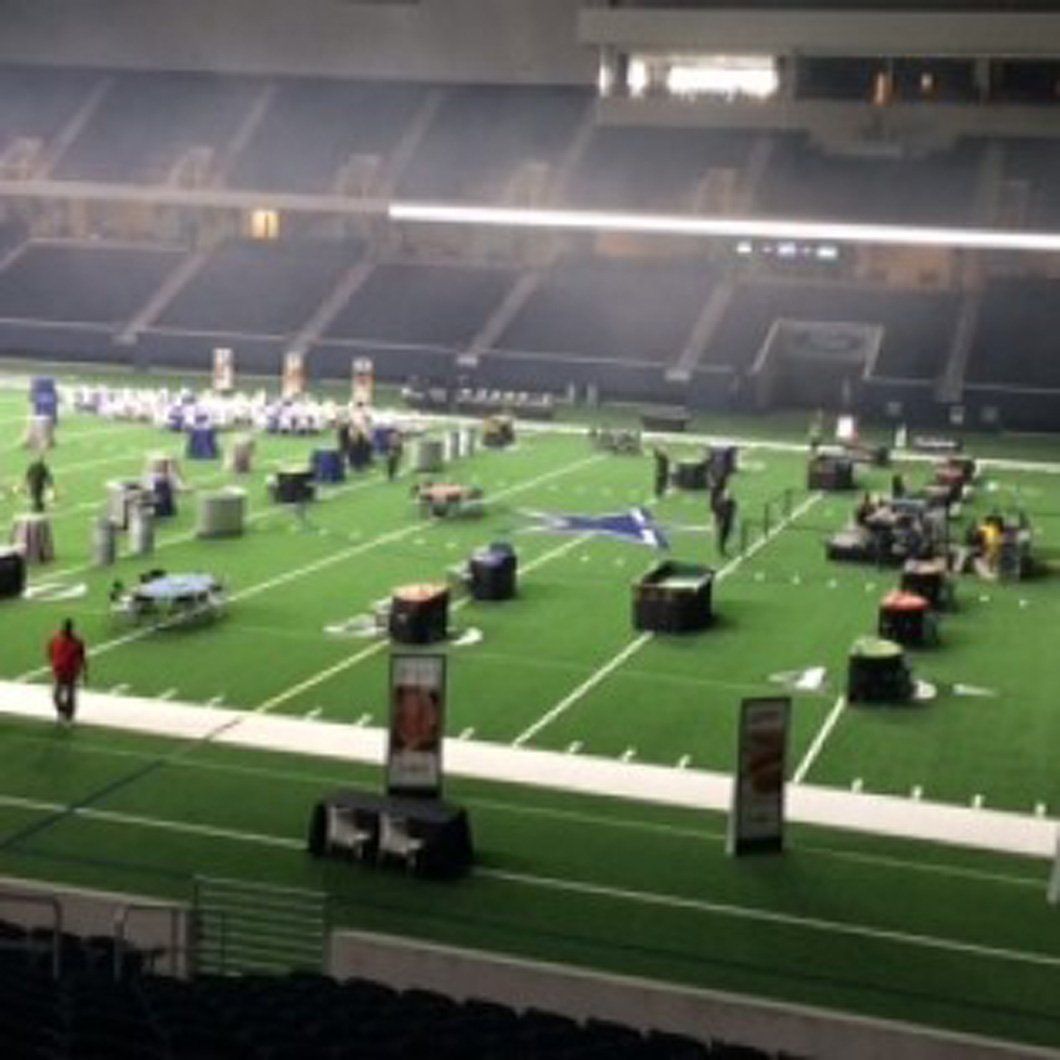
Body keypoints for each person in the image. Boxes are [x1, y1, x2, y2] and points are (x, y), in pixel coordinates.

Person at [47, 618, 87, 724]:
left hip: (72, 673)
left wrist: (84, 672)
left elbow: (82, 657)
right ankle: (62, 712)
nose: (65, 630)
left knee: (70, 696)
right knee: (56, 696)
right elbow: (50, 652)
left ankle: (69, 717)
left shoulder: (77, 642)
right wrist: (54, 665)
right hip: (59, 672)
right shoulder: (55, 639)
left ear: (71, 629)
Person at [714, 490, 738, 557]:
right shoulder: (720, 503)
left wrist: (733, 520)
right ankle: (722, 549)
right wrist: (718, 522)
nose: (729, 496)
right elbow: (718, 514)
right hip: (723, 522)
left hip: (729, 521)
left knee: (728, 535)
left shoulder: (732, 503)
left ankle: (724, 547)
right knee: (722, 536)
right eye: (727, 495)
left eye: (730, 495)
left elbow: (734, 512)